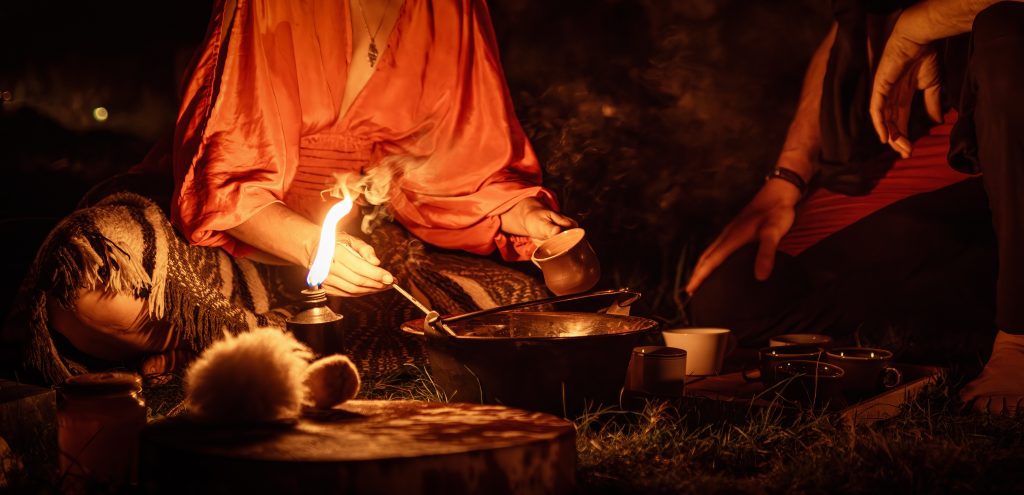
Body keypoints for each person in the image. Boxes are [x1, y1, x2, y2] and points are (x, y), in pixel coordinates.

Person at [1, 0, 576, 385]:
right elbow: (222, 163)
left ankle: (221, 355)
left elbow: (464, 158)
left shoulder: (448, 9)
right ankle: (288, 353)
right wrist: (309, 246)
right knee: (96, 281)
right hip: (231, 230)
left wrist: (520, 213)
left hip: (373, 243)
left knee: (512, 308)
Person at [685, 0, 1023, 413]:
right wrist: (788, 175)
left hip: (1013, 120)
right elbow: (854, 24)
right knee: (738, 297)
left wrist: (926, 21)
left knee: (1004, 30)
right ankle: (975, 299)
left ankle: (1018, 337)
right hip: (940, 139)